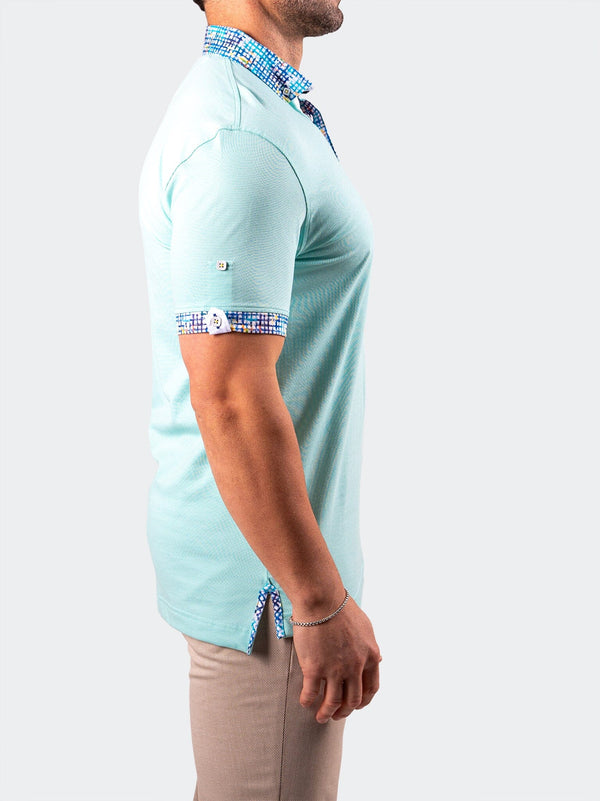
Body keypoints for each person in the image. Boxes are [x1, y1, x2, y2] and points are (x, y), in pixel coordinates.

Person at [138, 1, 382, 798]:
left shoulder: (261, 110)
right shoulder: (240, 138)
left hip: (272, 570)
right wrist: (316, 601)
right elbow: (230, 394)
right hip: (270, 592)